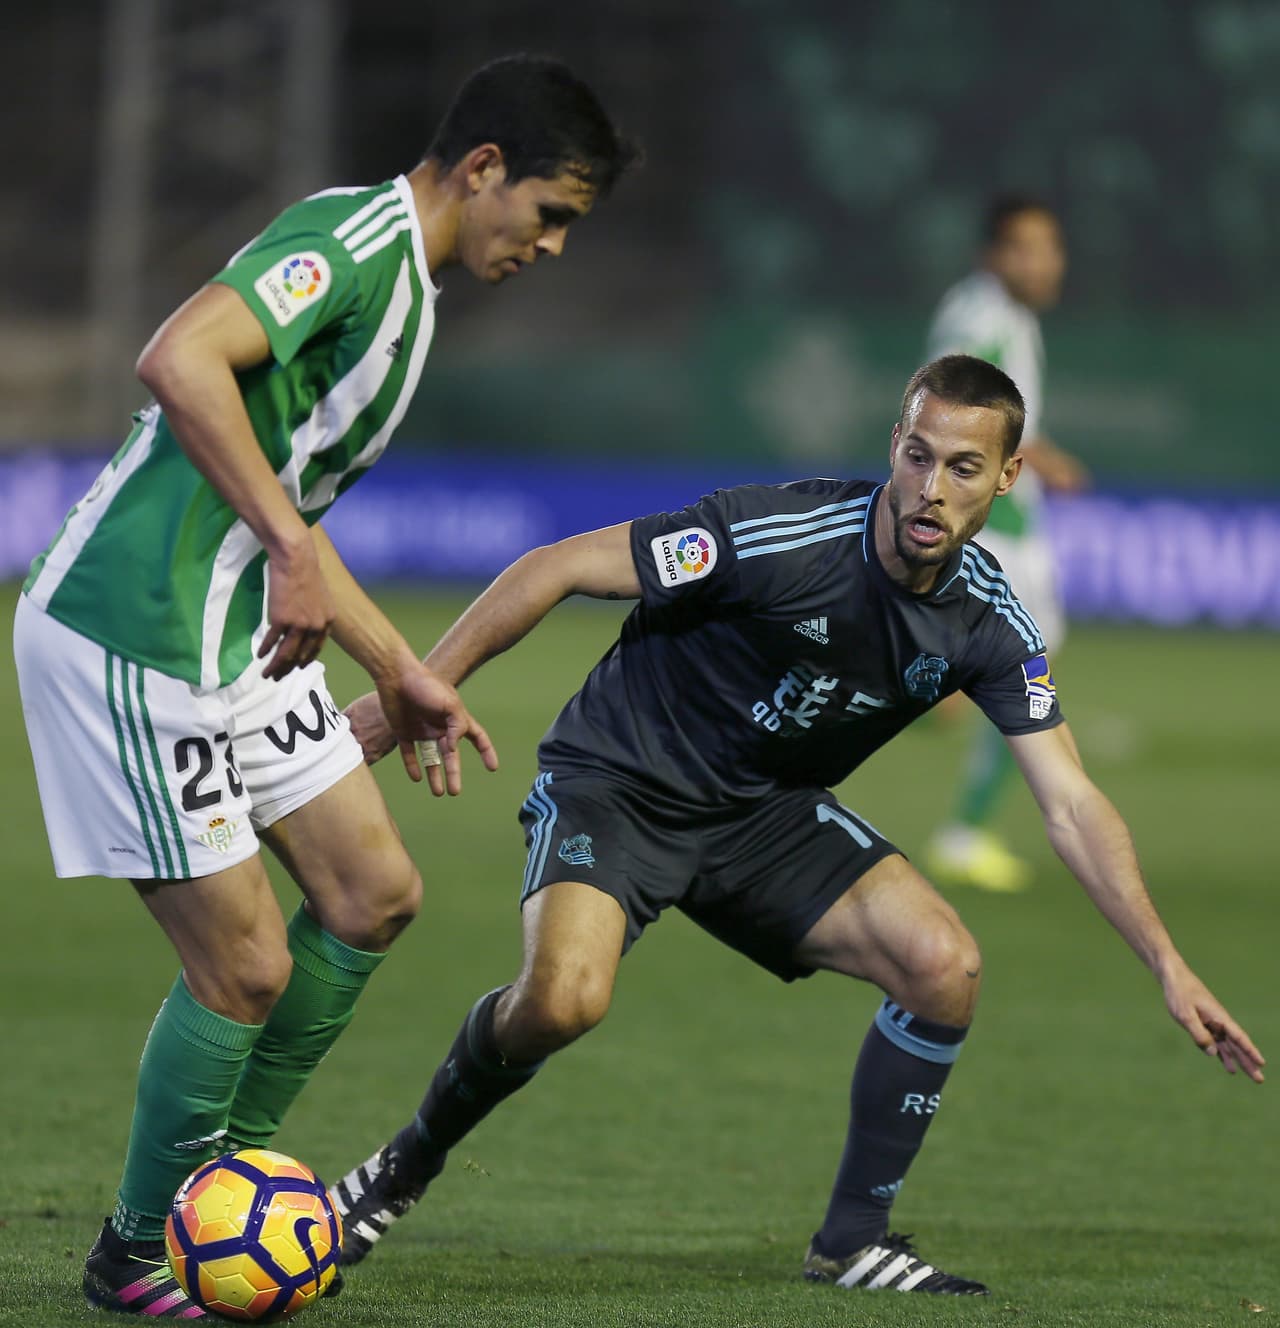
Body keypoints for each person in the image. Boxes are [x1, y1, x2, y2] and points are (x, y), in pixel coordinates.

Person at [327, 355, 1263, 1298]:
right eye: (917, 455)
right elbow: (557, 564)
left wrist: (1166, 962)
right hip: (621, 781)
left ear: (1008, 478)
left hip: (765, 819)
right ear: (893, 448)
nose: (931, 490)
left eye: (963, 468)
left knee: (945, 965)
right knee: (564, 999)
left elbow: (1069, 801)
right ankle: (397, 1171)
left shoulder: (988, 621)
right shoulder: (783, 533)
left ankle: (853, 1241)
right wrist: (422, 687)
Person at [13, 54, 637, 1318]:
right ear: (481, 170)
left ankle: (215, 1198)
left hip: (233, 632)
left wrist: (397, 666)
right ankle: (140, 1251)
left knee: (370, 893)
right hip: (133, 628)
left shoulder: (409, 287)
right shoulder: (351, 246)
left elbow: (288, 509)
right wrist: (293, 548)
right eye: (551, 213)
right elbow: (179, 356)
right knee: (243, 965)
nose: (553, 245)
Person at [922, 196, 1089, 893]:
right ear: (994, 254)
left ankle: (923, 679)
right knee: (1027, 672)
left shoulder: (997, 313)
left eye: (1051, 246)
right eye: (1026, 247)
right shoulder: (986, 320)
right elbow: (958, 410)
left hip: (1004, 519)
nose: (1044, 262)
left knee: (1009, 672)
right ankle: (965, 831)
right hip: (1001, 527)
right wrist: (1035, 460)